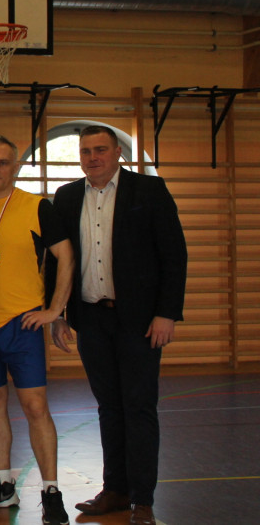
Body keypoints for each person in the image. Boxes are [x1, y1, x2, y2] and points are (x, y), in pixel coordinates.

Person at [51, 125, 187, 525]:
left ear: (117, 154)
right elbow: (57, 261)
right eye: (86, 151)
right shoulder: (67, 196)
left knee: (139, 408)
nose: (93, 157)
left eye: (100, 150)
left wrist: (166, 313)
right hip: (90, 319)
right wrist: (58, 313)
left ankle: (142, 499)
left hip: (140, 321)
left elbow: (174, 255)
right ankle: (115, 489)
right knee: (108, 408)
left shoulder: (149, 191)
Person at [0, 134, 74, 525]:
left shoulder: (37, 207)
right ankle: (3, 483)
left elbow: (66, 256)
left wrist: (55, 311)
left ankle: (51, 490)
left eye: (3, 162)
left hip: (23, 322)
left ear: (15, 166)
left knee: (35, 406)